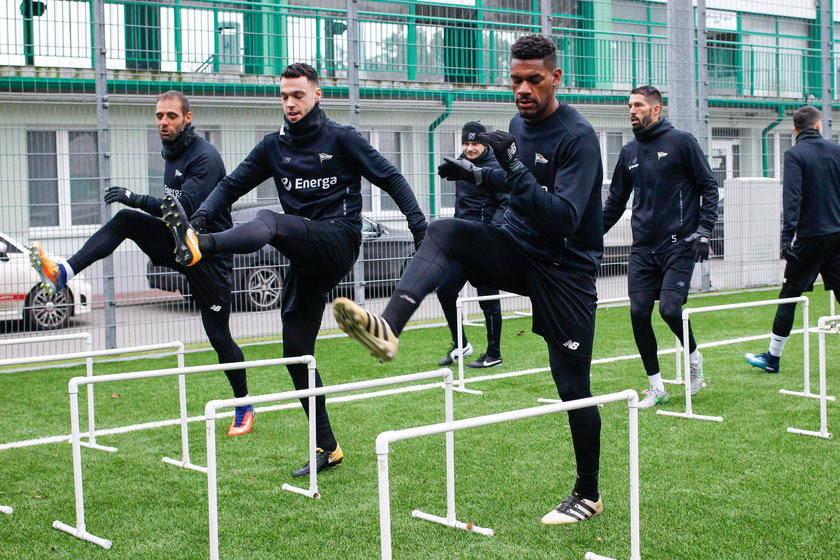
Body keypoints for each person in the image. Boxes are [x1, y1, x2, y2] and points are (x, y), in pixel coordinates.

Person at [333, 34, 605, 525]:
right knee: (445, 232)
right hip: (519, 249)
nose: (522, 89)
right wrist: (476, 175)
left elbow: (562, 216)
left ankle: (588, 492)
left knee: (572, 386)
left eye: (534, 80)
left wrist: (514, 165)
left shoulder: (578, 136)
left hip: (566, 269)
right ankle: (389, 328)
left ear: (555, 78)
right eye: (516, 79)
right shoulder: (516, 126)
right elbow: (515, 185)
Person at [162, 63, 427, 477]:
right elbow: (230, 186)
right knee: (295, 353)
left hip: (338, 240)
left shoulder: (341, 139)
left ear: (317, 95)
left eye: (298, 95)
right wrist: (198, 216)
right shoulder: (273, 147)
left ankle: (201, 248)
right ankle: (328, 448)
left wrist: (418, 227)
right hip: (306, 256)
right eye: (284, 96)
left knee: (269, 220)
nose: (290, 103)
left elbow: (390, 177)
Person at [28, 91, 255, 436]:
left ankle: (244, 405)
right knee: (126, 221)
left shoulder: (205, 157)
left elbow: (186, 210)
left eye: (171, 117)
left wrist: (135, 197)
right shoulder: (171, 153)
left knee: (219, 336)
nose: (163, 122)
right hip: (177, 242)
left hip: (207, 253)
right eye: (159, 116)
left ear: (187, 119)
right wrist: (137, 207)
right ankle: (62, 273)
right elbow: (170, 213)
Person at [602, 86, 718, 409]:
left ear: (655, 110)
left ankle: (694, 358)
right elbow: (614, 204)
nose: (632, 110)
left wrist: (704, 230)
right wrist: (590, 236)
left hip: (679, 244)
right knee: (639, 312)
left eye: (638, 105)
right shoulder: (628, 153)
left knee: (669, 309)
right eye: (629, 106)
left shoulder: (682, 142)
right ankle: (657, 387)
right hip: (642, 248)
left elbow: (709, 187)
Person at [745, 105, 840, 373]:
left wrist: (786, 238)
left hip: (810, 238)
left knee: (789, 296)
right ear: (819, 126)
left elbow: (793, 197)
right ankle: (771, 358)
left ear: (795, 130)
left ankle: (772, 359)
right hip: (837, 236)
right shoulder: (837, 151)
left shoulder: (795, 154)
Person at [435, 121, 507, 369]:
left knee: (487, 297)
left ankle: (494, 353)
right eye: (466, 143)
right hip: (462, 241)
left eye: (475, 143)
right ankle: (461, 344)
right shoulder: (461, 165)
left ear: (485, 144)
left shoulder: (496, 168)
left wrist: (493, 233)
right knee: (445, 290)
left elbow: (505, 202)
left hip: (485, 241)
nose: (470, 148)